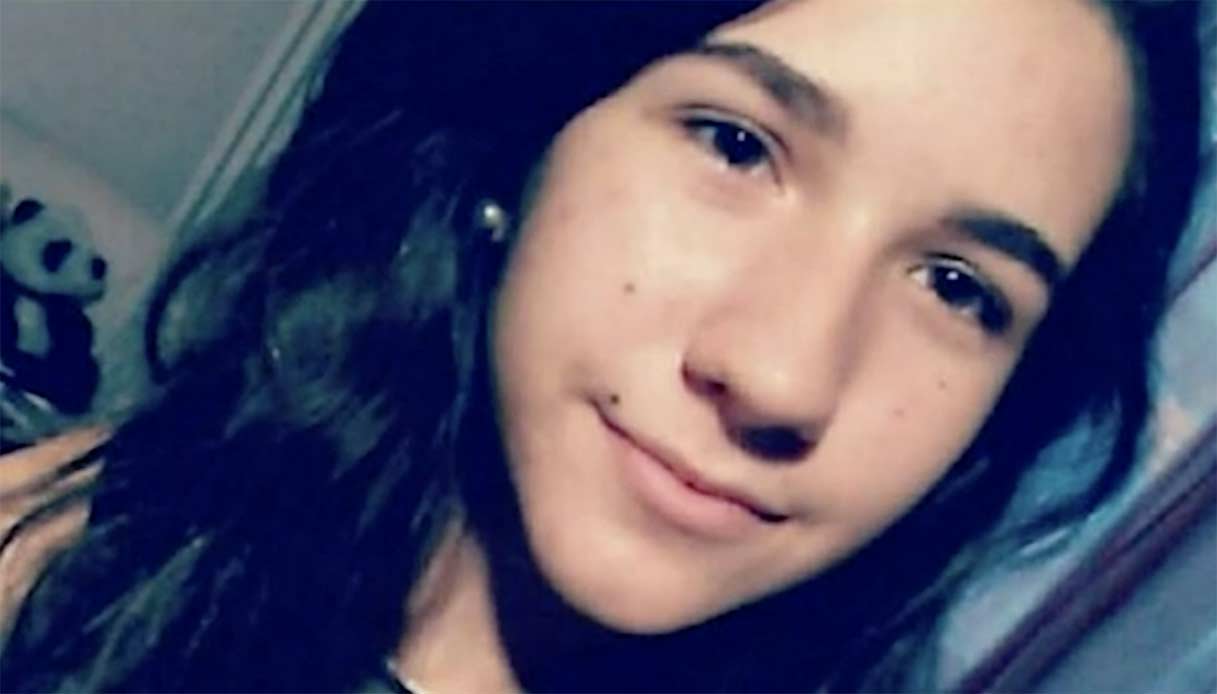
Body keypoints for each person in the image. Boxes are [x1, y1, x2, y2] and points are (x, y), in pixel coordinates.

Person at [0, 1, 1203, 691]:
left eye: (955, 288)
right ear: (528, 132)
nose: (783, 373)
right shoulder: (75, 563)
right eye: (734, 145)